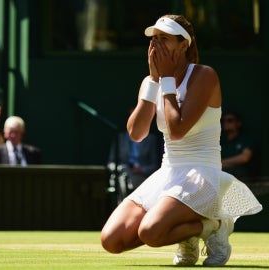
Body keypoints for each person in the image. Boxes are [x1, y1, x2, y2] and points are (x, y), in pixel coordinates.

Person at [100, 14, 262, 267]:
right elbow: (136, 133)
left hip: (202, 174)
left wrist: (164, 79)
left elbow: (177, 130)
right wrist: (154, 81)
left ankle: (213, 226)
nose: (156, 44)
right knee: (111, 240)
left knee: (150, 233)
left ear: (183, 44)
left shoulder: (204, 75)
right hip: (169, 172)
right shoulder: (150, 82)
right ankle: (191, 230)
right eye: (154, 39)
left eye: (164, 38)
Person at [107, 109, 161, 197]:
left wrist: (141, 170)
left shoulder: (151, 139)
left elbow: (155, 165)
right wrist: (121, 168)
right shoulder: (120, 138)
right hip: (123, 175)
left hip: (142, 177)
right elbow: (110, 163)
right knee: (123, 180)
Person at [220, 111, 256, 179]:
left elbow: (244, 158)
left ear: (239, 123)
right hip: (221, 174)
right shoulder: (220, 141)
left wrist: (221, 162)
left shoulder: (245, 139)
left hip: (241, 176)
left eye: (230, 120)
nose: (226, 123)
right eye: (223, 121)